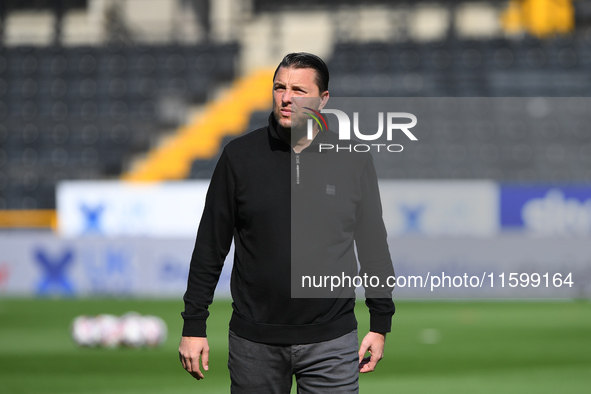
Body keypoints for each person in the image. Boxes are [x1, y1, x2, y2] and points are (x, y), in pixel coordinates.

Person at [179, 52, 395, 393]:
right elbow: (210, 246)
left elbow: (372, 246)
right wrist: (194, 325)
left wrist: (380, 322)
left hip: (332, 341)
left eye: (298, 89)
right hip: (254, 343)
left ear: (323, 99)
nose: (286, 97)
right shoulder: (239, 156)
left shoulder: (353, 159)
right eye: (280, 87)